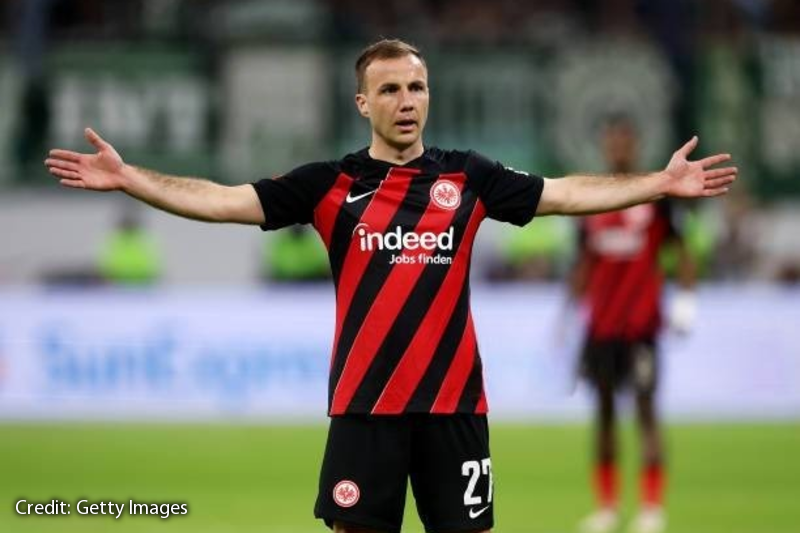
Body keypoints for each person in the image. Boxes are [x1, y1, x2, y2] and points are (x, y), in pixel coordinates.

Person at [45, 39, 736, 533]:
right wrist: (131, 178)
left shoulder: (469, 176)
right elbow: (224, 200)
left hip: (454, 407)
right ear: (362, 102)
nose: (407, 102)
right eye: (390, 90)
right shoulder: (329, 185)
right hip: (366, 409)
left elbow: (566, 194)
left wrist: (658, 182)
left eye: (416, 87)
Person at [570, 116, 697, 533]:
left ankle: (651, 507)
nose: (618, 149)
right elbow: (584, 261)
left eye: (624, 141)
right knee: (604, 414)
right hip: (601, 328)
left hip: (641, 325)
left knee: (645, 411)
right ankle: (607, 507)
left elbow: (682, 250)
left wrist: (686, 302)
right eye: (612, 142)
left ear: (635, 145)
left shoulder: (657, 195)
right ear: (604, 147)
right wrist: (571, 313)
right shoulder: (591, 198)